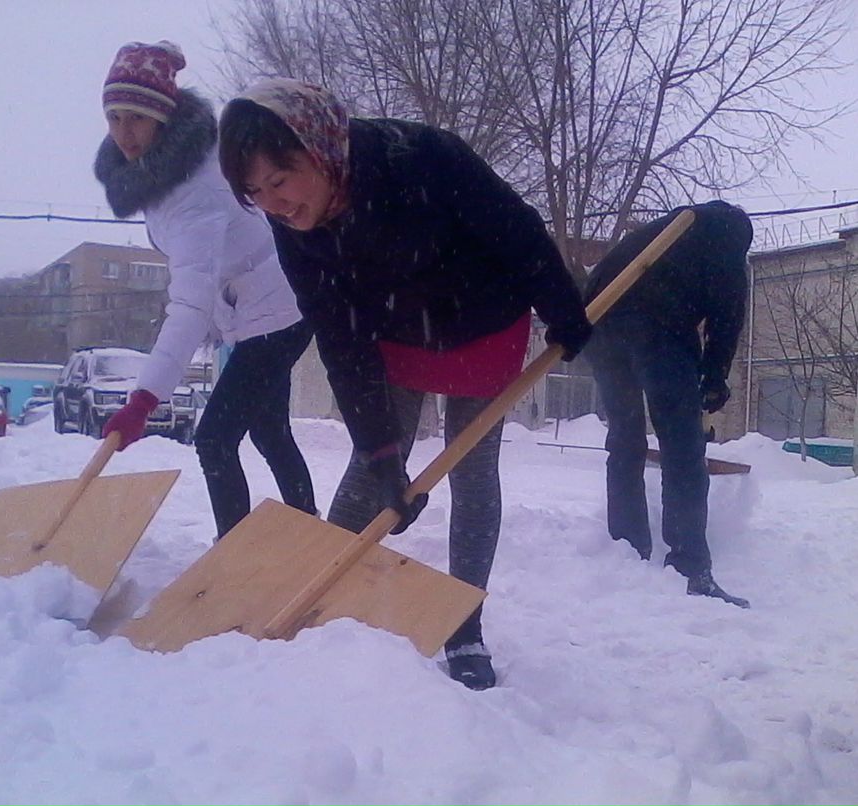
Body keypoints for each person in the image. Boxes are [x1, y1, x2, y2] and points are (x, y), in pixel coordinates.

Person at [218, 78, 592, 690]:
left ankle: (463, 627)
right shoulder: (295, 229)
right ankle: (319, 595)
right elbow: (340, 340)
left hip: (482, 325)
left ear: (316, 150)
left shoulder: (420, 158)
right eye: (256, 193)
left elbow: (517, 230)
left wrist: (563, 308)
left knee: (472, 471)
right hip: (392, 337)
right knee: (371, 474)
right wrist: (382, 451)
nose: (274, 205)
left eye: (280, 182)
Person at [94, 42, 316, 540]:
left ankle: (233, 554)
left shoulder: (196, 191)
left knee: (214, 438)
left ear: (164, 118)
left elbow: (190, 303)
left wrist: (146, 397)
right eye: (114, 117)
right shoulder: (159, 173)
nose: (124, 133)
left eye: (137, 118)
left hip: (278, 312)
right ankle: (310, 534)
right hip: (254, 306)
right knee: (268, 430)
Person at [583, 200, 753, 608]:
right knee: (682, 448)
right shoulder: (726, 244)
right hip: (659, 329)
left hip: (599, 324)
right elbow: (727, 317)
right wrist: (713, 379)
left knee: (624, 438)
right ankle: (689, 567)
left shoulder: (666, 232)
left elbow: (599, 282)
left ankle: (626, 549)